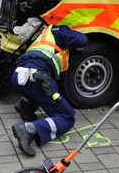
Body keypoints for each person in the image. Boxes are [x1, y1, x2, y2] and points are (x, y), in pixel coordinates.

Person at [11, 24, 88, 156]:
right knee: (67, 117)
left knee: (41, 94)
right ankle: (28, 130)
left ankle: (27, 105)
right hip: (37, 78)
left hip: (17, 76)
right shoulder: (60, 30)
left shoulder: (42, 34)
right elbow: (83, 40)